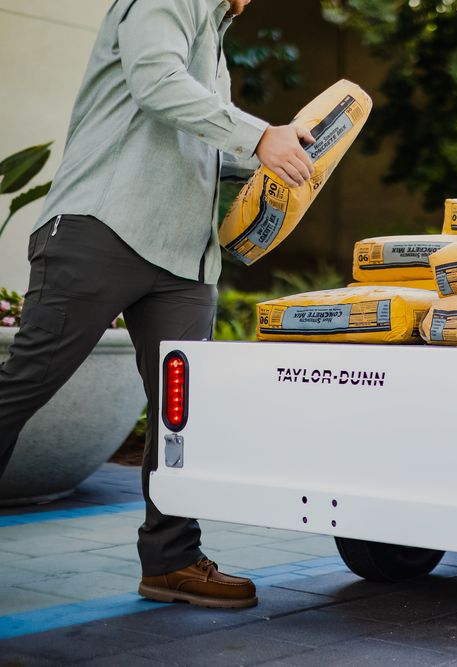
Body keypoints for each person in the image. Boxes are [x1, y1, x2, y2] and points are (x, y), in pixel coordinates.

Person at [0, 0, 315, 609]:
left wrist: (276, 155)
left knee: (183, 412)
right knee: (27, 382)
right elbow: (157, 82)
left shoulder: (215, 36)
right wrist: (259, 135)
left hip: (183, 261)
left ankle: (171, 561)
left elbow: (197, 141)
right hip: (103, 227)